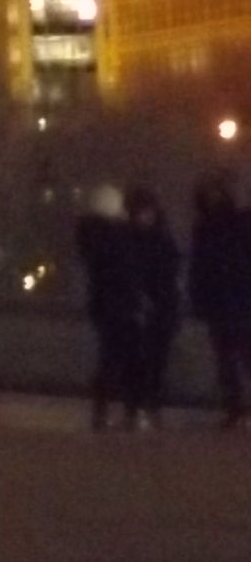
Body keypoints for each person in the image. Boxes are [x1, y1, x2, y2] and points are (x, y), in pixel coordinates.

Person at [118, 184, 183, 429]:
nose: (144, 216)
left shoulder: (157, 240)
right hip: (142, 308)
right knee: (135, 362)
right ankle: (136, 407)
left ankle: (147, 406)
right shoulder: (138, 240)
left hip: (156, 309)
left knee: (154, 362)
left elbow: (168, 276)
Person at [191, 172, 251, 430]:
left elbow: (199, 268)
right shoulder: (235, 223)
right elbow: (199, 268)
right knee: (233, 358)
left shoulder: (208, 228)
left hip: (229, 300)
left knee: (233, 358)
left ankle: (235, 410)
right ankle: (235, 409)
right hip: (231, 300)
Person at [76, 185, 134, 431]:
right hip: (119, 303)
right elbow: (125, 271)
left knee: (108, 357)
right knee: (119, 357)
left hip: (102, 304)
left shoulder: (90, 235)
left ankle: (102, 411)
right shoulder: (116, 236)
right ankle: (122, 410)